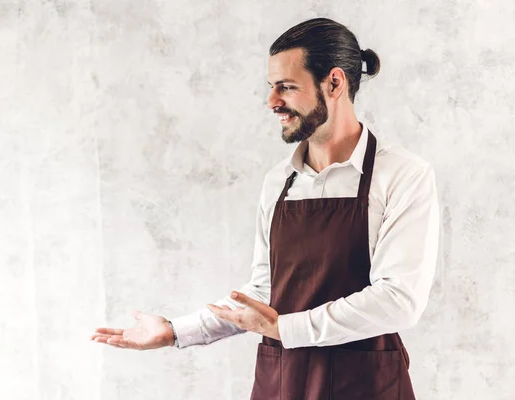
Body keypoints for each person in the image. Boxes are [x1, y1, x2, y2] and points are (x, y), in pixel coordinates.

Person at [91, 17, 440, 399]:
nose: (272, 101)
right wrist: (176, 331)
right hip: (283, 381)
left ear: (335, 83)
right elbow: (263, 291)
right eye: (271, 87)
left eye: (287, 87)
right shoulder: (279, 181)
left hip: (364, 384)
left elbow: (398, 301)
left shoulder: (403, 175)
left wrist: (284, 329)